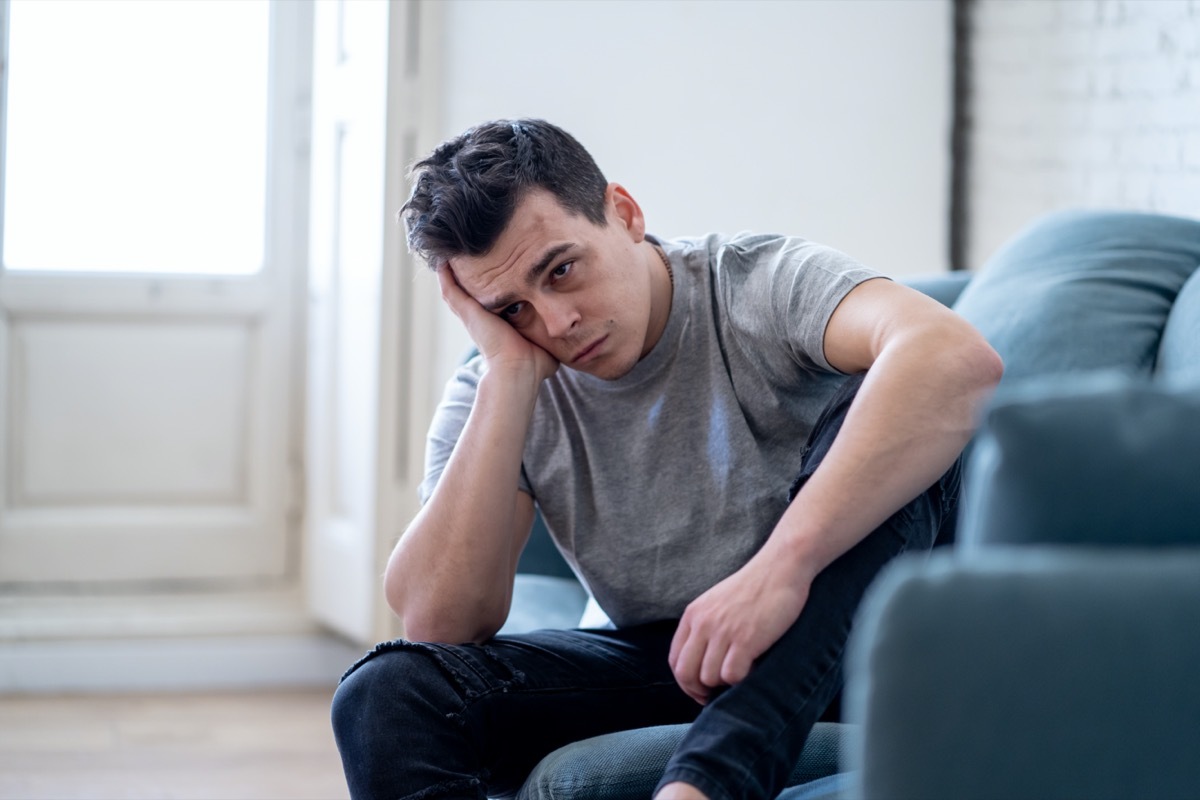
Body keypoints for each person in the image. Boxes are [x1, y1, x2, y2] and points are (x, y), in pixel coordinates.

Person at [331, 119, 1002, 800]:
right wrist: (506, 374)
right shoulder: (503, 378)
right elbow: (439, 623)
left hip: (855, 640)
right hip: (681, 661)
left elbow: (952, 356)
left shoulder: (753, 282)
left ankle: (704, 785)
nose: (555, 323)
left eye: (561, 270)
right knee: (386, 693)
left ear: (624, 213)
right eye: (512, 309)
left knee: (897, 402)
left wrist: (779, 570)